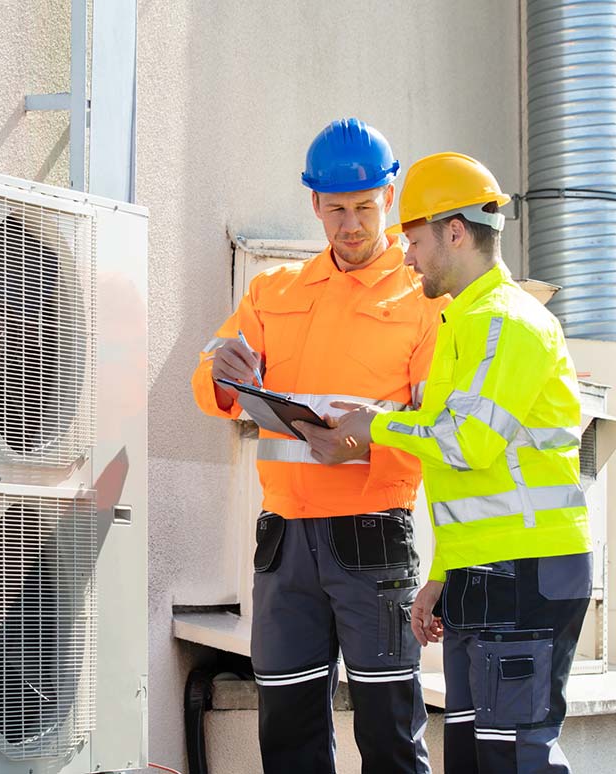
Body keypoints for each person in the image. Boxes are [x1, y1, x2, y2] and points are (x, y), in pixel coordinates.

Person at [296, 152, 593, 773]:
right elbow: (465, 477)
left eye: (414, 238)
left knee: (515, 757)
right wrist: (441, 575)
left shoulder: (506, 322)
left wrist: (376, 426)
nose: (405, 255)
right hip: (486, 573)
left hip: (528, 574)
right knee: (473, 757)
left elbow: (467, 442)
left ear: (455, 231)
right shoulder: (463, 324)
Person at [192, 118, 447, 774]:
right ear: (314, 204)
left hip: (372, 537)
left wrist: (374, 427)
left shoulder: (422, 300)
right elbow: (208, 378)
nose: (351, 225)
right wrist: (225, 376)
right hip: (283, 546)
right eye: (336, 210)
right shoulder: (273, 292)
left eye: (365, 208)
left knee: (390, 736)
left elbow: (441, 423)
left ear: (389, 198)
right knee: (288, 737)